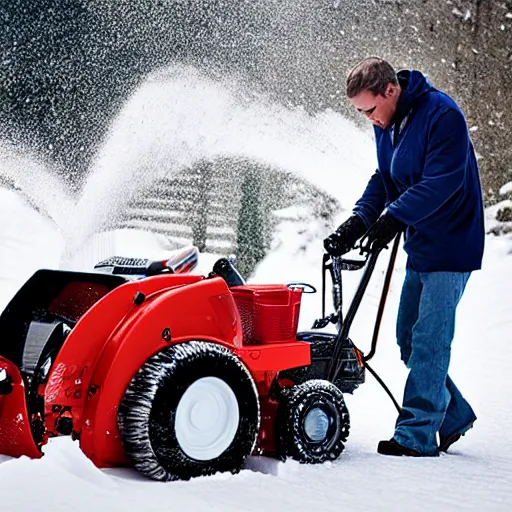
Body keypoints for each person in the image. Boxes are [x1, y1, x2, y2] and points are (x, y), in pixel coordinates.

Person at [323, 57, 485, 457]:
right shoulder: (389, 123)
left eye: (370, 109)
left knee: (430, 340)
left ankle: (416, 434)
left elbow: (440, 182)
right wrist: (359, 221)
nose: (369, 120)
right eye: (361, 113)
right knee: (407, 338)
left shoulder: (443, 116)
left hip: (452, 243)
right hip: (421, 241)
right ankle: (453, 414)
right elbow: (385, 177)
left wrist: (393, 219)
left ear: (391, 90)